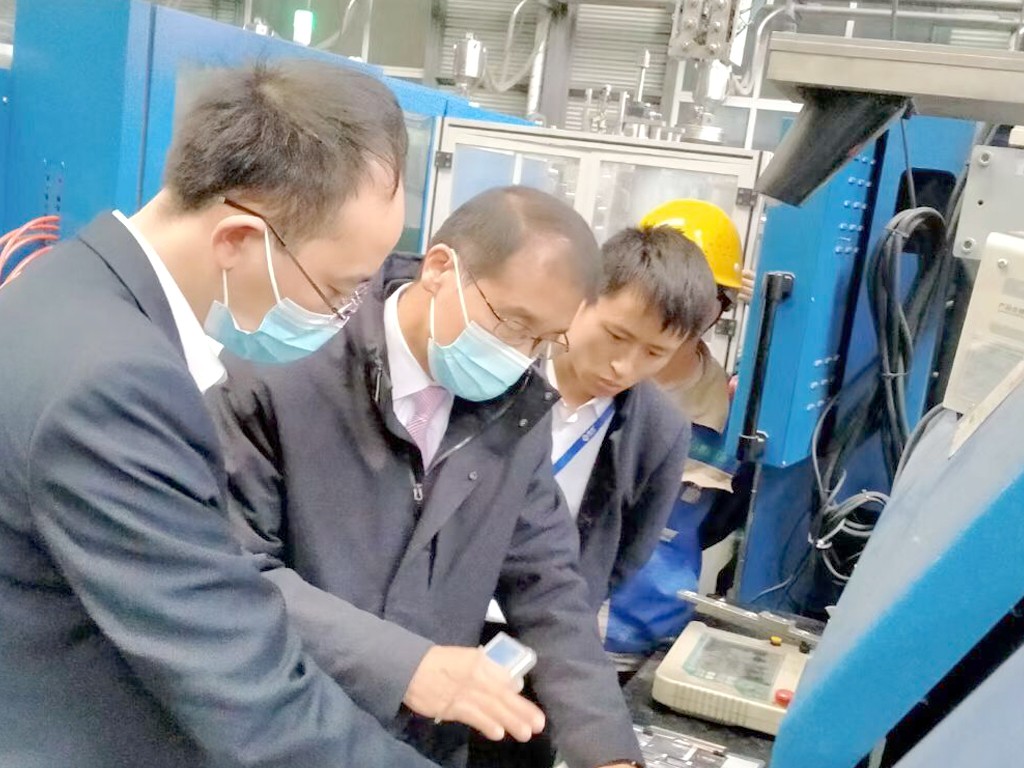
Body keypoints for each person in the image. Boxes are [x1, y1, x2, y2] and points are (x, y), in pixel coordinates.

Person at [0, 59, 437, 768]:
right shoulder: (119, 385)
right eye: (338, 288)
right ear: (237, 240)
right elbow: (248, 692)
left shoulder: (65, 288)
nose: (343, 313)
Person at [207, 186, 645, 768]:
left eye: (544, 340)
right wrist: (404, 665)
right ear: (440, 269)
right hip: (285, 735)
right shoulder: (281, 373)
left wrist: (607, 748)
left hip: (419, 746)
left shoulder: (516, 410)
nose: (522, 355)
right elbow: (233, 572)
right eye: (512, 324)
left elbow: (548, 585)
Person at [469, 223, 718, 767]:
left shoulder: (659, 431)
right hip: (444, 617)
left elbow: (629, 551)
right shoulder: (496, 375)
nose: (624, 366)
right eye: (616, 336)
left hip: (544, 644)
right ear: (583, 299)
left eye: (654, 353)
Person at [605, 199, 749, 660]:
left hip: (644, 639)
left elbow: (717, 523)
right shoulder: (590, 377)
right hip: (540, 626)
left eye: (701, 296)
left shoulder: (727, 414)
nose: (678, 307)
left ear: (720, 308)